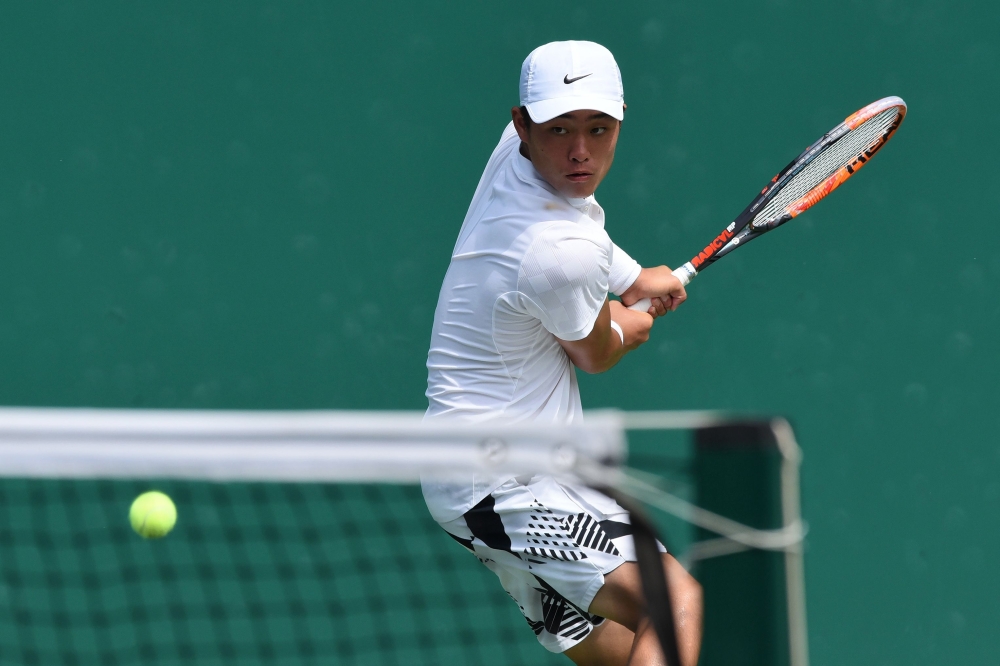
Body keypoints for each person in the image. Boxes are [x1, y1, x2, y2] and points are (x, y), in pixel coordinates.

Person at [422, 41, 702, 666]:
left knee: (621, 648)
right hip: (503, 481)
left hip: (502, 473)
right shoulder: (559, 254)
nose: (580, 151)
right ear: (523, 124)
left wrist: (633, 280)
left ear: (620, 122)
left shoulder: (515, 161)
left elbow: (581, 235)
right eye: (560, 131)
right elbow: (595, 352)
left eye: (599, 129)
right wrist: (629, 322)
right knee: (675, 603)